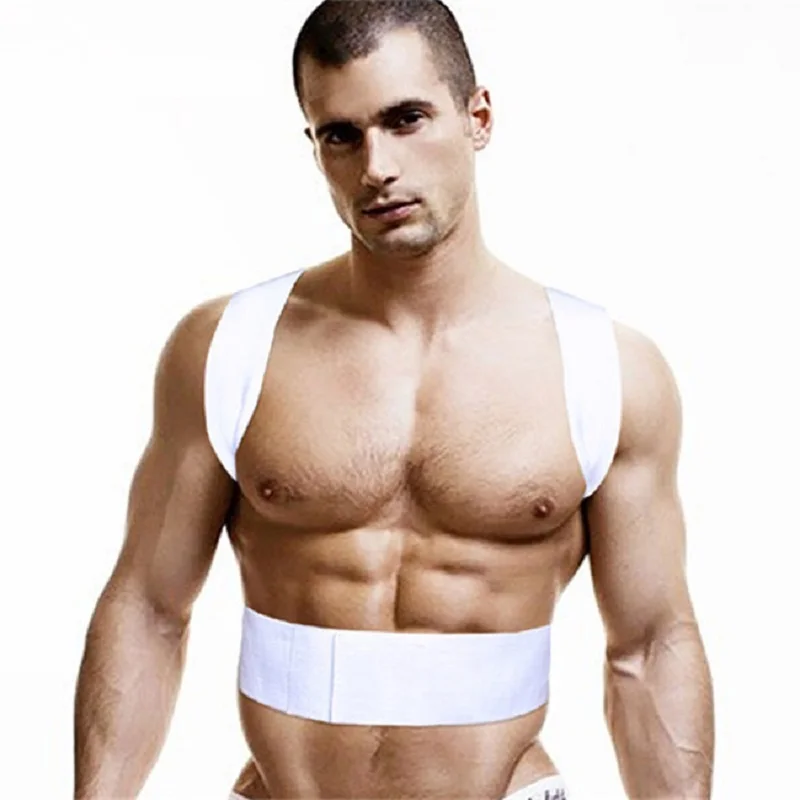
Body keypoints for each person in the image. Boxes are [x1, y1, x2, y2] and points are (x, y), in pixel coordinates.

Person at [73, 1, 714, 798]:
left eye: (406, 119)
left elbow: (648, 647)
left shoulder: (605, 369)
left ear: (478, 117)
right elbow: (148, 608)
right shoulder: (228, 349)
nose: (376, 166)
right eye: (341, 135)